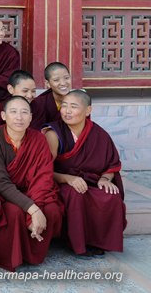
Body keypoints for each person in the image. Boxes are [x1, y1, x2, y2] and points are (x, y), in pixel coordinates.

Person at [0, 96, 63, 271]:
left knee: (51, 210)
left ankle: (33, 255)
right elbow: (0, 182)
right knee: (12, 212)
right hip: (5, 193)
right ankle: (10, 257)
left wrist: (35, 206)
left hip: (34, 190)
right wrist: (32, 210)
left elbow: (44, 177)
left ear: (31, 117)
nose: (19, 117)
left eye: (24, 112)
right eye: (13, 112)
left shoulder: (38, 139)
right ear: (3, 116)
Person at [43, 90, 125, 256]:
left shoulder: (99, 134)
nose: (67, 111)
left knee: (111, 195)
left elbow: (111, 164)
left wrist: (105, 179)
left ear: (88, 111)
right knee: (76, 194)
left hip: (92, 180)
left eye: (73, 106)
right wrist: (68, 179)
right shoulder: (54, 133)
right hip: (60, 181)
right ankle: (77, 243)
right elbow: (44, 170)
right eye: (64, 106)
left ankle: (98, 241)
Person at [30, 62, 71, 130]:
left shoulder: (79, 100)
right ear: (47, 83)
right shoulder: (39, 103)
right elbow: (36, 131)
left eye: (66, 78)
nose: (63, 83)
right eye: (56, 80)